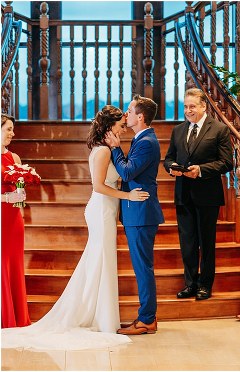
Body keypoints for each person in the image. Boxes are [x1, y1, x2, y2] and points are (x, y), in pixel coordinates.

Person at [1, 106, 149, 349]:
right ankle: (99, 318)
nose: (124, 129)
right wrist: (128, 196)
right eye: (121, 126)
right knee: (100, 261)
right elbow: (99, 187)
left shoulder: (107, 149)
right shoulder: (101, 151)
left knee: (100, 263)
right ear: (110, 126)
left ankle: (101, 315)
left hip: (107, 210)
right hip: (101, 209)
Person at [165, 88, 234, 301]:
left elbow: (227, 163)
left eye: (192, 106)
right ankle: (190, 284)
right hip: (183, 194)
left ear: (204, 106)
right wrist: (172, 167)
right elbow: (168, 158)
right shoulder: (178, 130)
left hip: (207, 195)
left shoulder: (220, 130)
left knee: (206, 243)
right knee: (187, 243)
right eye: (185, 106)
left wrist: (201, 170)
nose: (188, 110)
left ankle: (205, 285)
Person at [105, 95, 165, 335]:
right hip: (137, 212)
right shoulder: (142, 139)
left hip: (141, 213)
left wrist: (116, 149)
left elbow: (128, 173)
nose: (126, 115)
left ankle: (147, 319)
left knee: (143, 268)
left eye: (129, 111)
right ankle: (146, 316)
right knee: (142, 267)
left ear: (140, 117)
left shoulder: (147, 142)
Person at [1, 114, 30, 328]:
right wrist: (6, 198)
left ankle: (17, 317)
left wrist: (21, 196)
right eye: (8, 129)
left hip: (14, 219)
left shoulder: (15, 158)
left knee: (14, 266)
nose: (12, 133)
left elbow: (20, 189)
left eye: (12, 129)